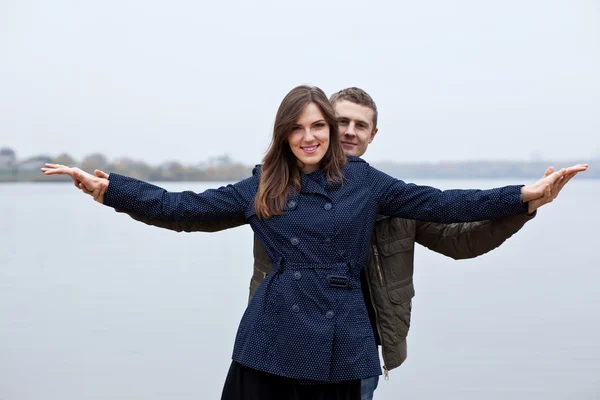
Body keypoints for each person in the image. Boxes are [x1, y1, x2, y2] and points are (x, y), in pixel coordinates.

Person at [42, 85, 586, 400]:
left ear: (334, 132)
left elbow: (444, 204)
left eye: (319, 127)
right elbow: (184, 209)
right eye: (298, 128)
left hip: (344, 344)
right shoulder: (262, 185)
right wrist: (112, 188)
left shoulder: (370, 184)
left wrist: (523, 195)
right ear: (285, 133)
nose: (311, 136)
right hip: (268, 342)